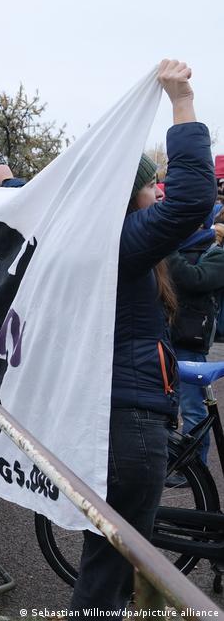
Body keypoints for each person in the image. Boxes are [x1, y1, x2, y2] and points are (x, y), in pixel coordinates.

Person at [71, 59, 215, 617]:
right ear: (126, 195)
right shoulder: (120, 243)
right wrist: (181, 104)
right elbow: (192, 198)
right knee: (114, 559)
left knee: (104, 553)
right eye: (151, 183)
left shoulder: (90, 242)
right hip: (129, 419)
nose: (159, 190)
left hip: (103, 412)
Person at [166, 212, 224, 471]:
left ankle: (193, 467)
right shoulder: (175, 250)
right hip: (164, 339)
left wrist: (165, 248)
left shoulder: (216, 253)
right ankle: (169, 462)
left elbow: (196, 279)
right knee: (165, 407)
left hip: (190, 341)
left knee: (192, 409)